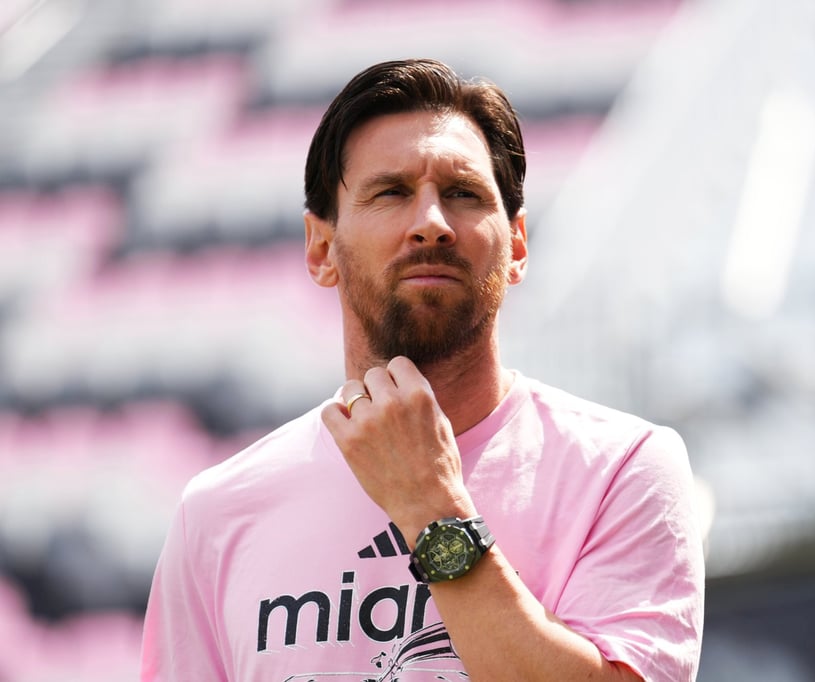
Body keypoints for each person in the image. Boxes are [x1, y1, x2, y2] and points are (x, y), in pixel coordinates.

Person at [141, 58, 704, 681]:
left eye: (463, 194)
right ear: (321, 247)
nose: (432, 224)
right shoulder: (217, 513)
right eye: (391, 192)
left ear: (515, 246)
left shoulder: (623, 468)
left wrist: (434, 510)